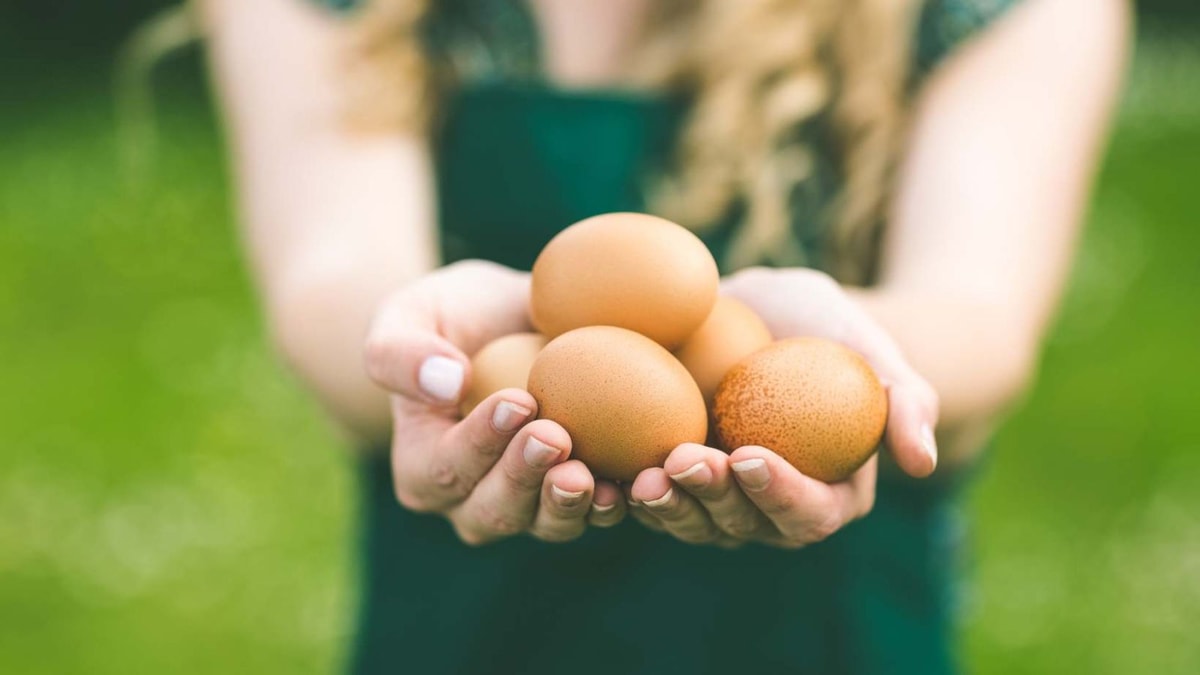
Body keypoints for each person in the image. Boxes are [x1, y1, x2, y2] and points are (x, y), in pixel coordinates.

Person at [197, 0, 1128, 672]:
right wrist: (433, 353)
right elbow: (329, 280)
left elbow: (978, 316)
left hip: (824, 630)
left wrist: (835, 362)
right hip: (472, 621)